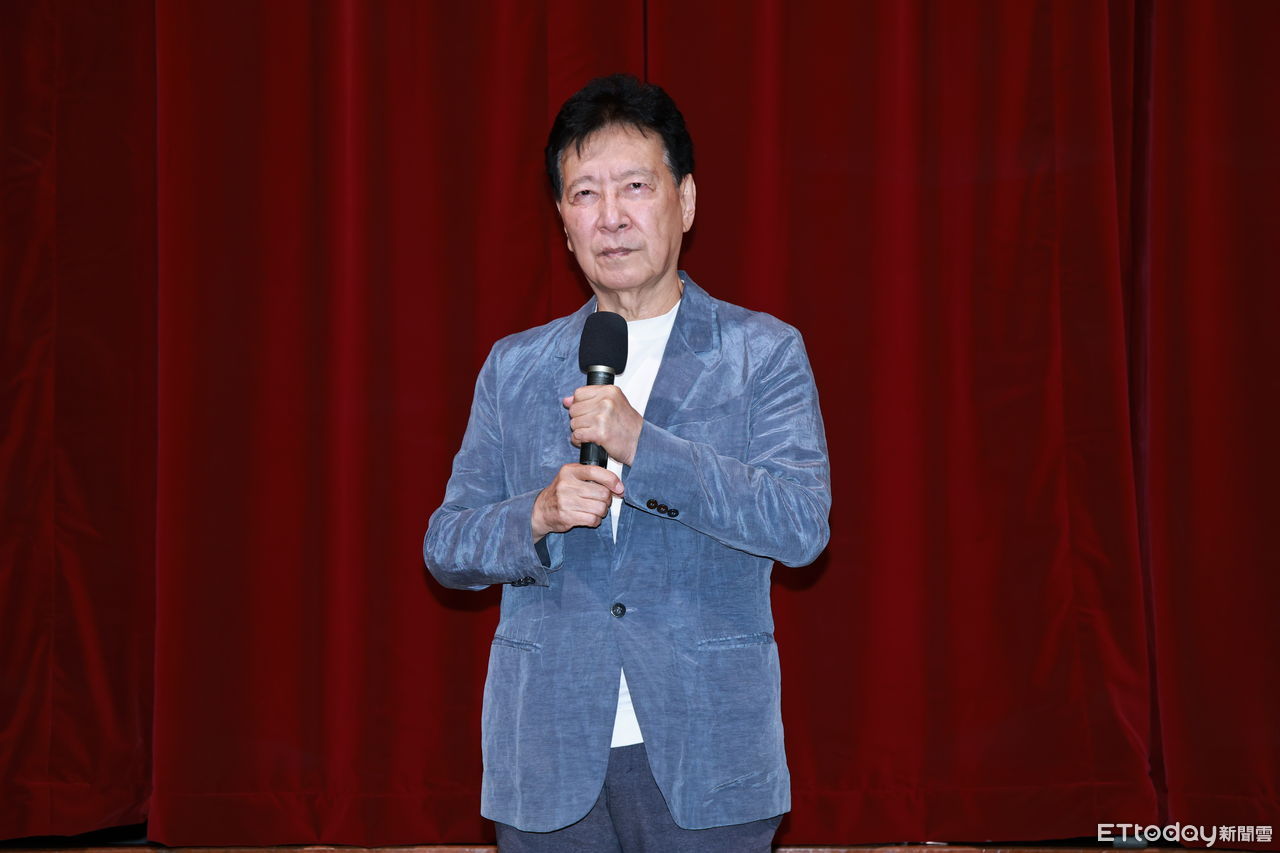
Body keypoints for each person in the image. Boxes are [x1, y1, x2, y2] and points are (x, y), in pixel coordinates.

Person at [424, 73, 831, 852]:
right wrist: (537, 514)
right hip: (546, 754)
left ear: (686, 200)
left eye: (635, 187)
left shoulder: (763, 353)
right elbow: (446, 545)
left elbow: (801, 525)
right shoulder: (515, 366)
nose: (610, 216)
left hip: (707, 752)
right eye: (585, 194)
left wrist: (646, 446)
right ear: (563, 220)